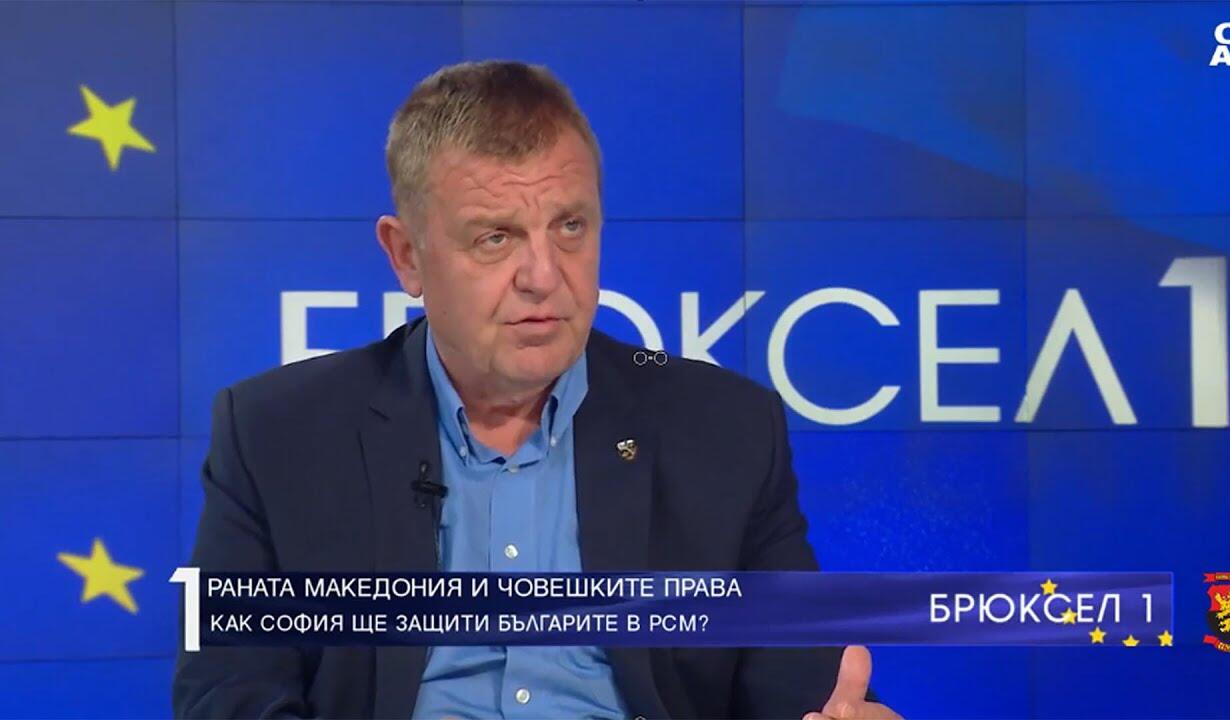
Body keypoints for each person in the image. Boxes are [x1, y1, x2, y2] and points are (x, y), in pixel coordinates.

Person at [174, 60, 899, 720]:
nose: (545, 277)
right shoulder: (277, 435)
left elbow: (805, 685)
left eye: (570, 227)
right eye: (496, 237)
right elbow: (227, 695)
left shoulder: (725, 431)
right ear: (407, 256)